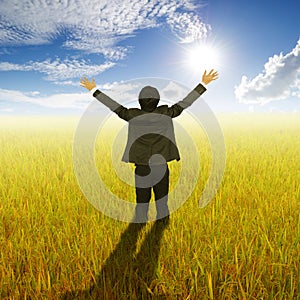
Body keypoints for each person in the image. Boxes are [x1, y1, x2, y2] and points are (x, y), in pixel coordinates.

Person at [80, 69, 218, 222]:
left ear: (140, 101)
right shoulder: (166, 112)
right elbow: (185, 103)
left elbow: (114, 106)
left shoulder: (132, 115)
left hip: (142, 166)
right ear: (157, 100)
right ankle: (162, 223)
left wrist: (93, 89)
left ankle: (140, 221)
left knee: (142, 200)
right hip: (161, 165)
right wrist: (203, 83)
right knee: (162, 200)